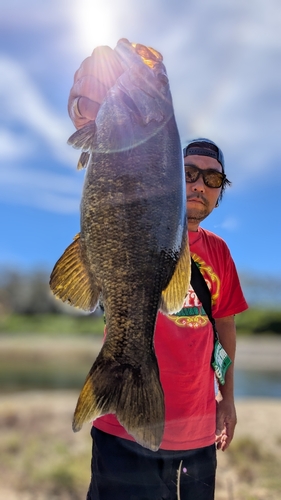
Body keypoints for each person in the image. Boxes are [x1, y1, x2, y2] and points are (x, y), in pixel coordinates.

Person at [68, 44, 248, 500]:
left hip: (198, 438)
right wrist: (88, 101)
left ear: (219, 193)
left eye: (213, 179)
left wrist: (226, 400)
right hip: (121, 439)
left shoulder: (220, 254)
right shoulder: (128, 145)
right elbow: (89, 118)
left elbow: (224, 325)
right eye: (189, 172)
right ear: (170, 175)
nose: (199, 185)